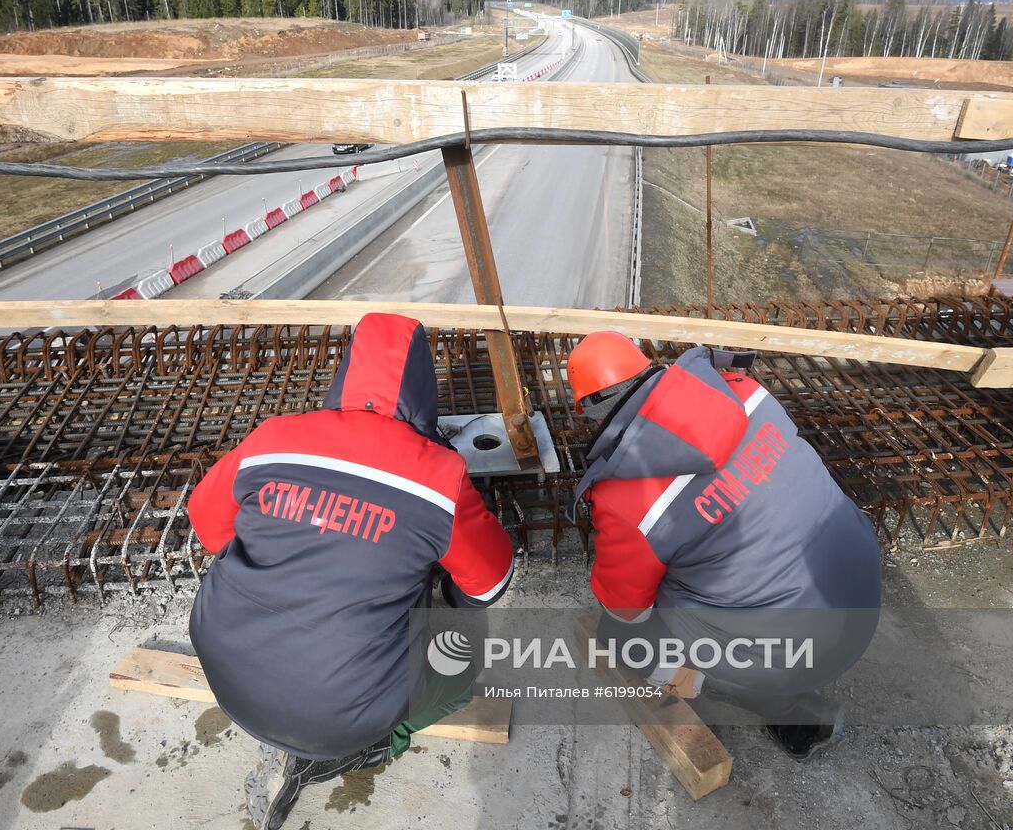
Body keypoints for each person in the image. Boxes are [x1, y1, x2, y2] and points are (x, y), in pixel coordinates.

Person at [188, 312, 514, 828]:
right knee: (461, 660)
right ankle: (357, 751)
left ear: (342, 377)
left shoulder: (272, 437)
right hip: (340, 717)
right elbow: (489, 584)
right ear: (423, 391)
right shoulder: (438, 474)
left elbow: (209, 528)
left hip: (226, 672)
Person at [565, 332, 881, 760]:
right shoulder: (744, 391)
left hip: (805, 652)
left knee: (625, 638)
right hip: (862, 587)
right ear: (646, 367)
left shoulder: (627, 500)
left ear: (589, 408)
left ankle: (774, 705)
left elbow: (626, 609)